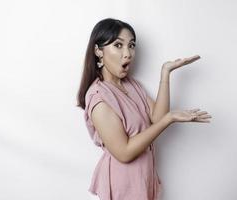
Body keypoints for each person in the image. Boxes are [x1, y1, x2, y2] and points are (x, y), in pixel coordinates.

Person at [77, 18, 212, 200]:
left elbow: (157, 117)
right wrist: (169, 119)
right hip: (123, 183)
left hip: (143, 178)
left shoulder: (131, 85)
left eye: (131, 45)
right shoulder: (99, 98)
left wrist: (166, 73)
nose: (128, 54)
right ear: (98, 51)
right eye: (118, 45)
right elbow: (124, 152)